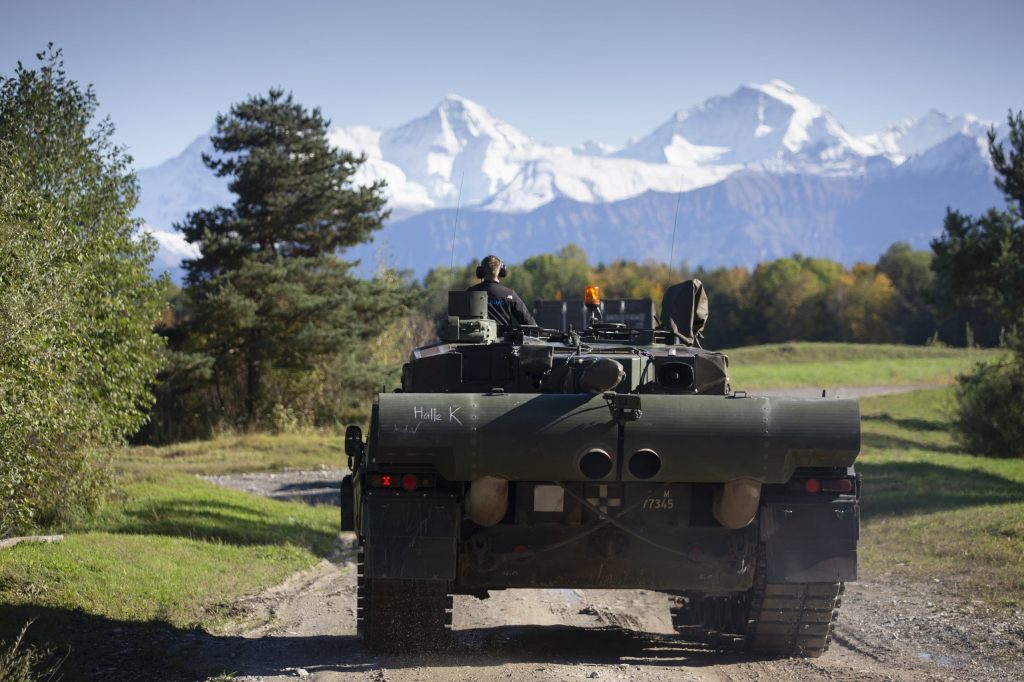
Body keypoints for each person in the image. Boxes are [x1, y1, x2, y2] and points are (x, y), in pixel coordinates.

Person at [467, 255, 537, 328]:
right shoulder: (510, 294)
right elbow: (528, 322)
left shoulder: (471, 292)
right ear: (502, 271)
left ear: (481, 271)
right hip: (504, 338)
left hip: (477, 338)